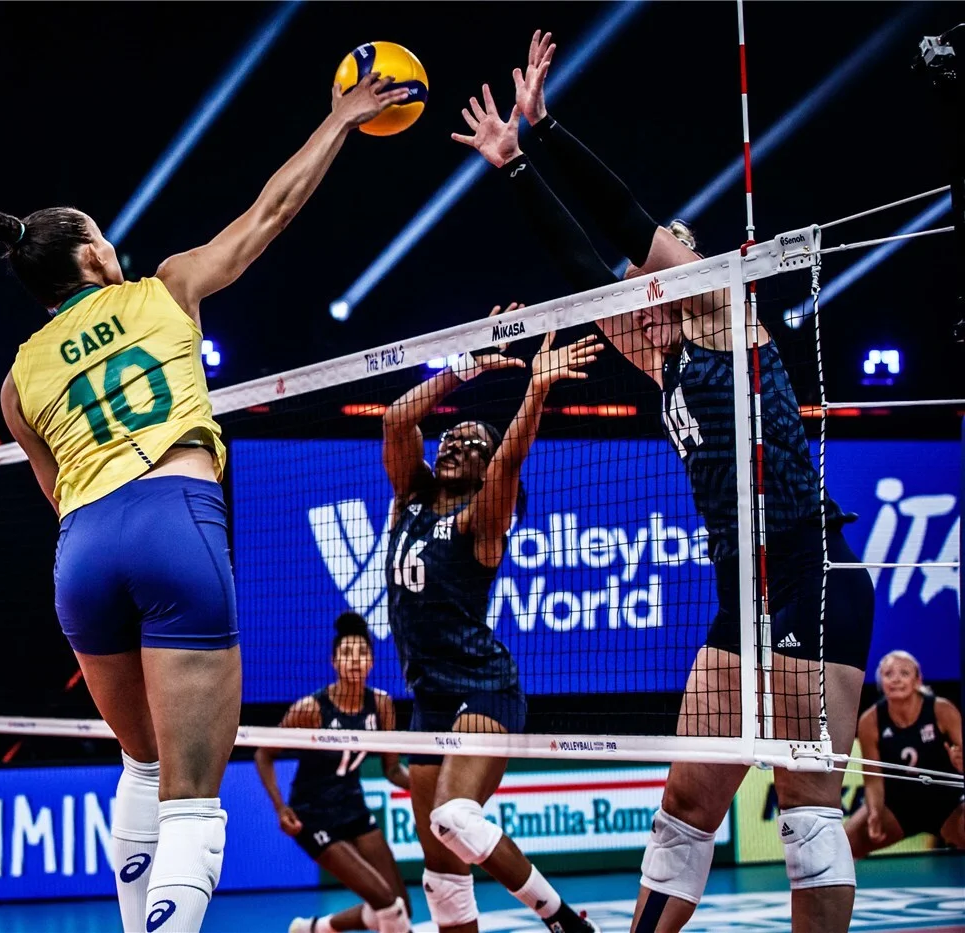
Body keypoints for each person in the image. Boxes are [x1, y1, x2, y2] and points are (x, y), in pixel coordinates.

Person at [453, 30, 876, 933]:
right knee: (687, 796)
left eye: (654, 271)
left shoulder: (725, 313)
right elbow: (584, 270)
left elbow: (620, 220)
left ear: (684, 266)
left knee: (805, 802)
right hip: (740, 589)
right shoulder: (663, 360)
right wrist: (515, 165)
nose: (639, 292)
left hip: (808, 567)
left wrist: (547, 128)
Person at [0, 73, 411, 933]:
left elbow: (56, 493)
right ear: (91, 257)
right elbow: (270, 213)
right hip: (173, 520)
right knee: (190, 799)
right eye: (103, 236)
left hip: (83, 549)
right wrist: (340, 119)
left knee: (140, 765)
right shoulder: (164, 287)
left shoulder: (16, 381)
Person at [379, 303, 602, 933]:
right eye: (451, 439)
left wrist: (535, 391)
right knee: (439, 870)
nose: (456, 445)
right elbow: (397, 419)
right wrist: (465, 366)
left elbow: (509, 462)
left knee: (455, 818)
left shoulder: (480, 522)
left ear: (483, 470)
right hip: (429, 695)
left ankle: (562, 920)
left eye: (472, 445)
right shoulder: (409, 498)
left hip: (482, 686)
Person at [255, 613, 412, 933]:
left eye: (362, 653)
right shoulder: (310, 709)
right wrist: (280, 807)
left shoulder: (381, 705)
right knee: (386, 903)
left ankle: (314, 929)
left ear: (372, 662)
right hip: (313, 816)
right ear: (334, 662)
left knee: (401, 906)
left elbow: (393, 769)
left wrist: (428, 790)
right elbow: (263, 753)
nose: (354, 660)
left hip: (353, 808)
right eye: (346, 653)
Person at [845, 650, 964, 855]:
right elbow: (873, 779)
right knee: (843, 844)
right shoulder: (869, 721)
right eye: (888, 674)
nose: (896, 679)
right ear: (881, 682)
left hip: (947, 803)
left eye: (904, 673)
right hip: (897, 807)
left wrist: (961, 764)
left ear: (918, 680)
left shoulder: (942, 710)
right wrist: (874, 812)